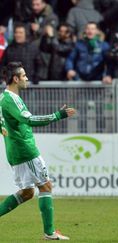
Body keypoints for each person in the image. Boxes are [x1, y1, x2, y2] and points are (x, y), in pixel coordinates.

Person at [0, 62, 75, 240]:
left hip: (14, 150)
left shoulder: (3, 99)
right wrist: (58, 115)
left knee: (27, 193)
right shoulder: (11, 99)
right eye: (24, 75)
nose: (27, 78)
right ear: (15, 79)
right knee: (46, 185)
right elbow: (30, 120)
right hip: (26, 151)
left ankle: (49, 232)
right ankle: (49, 232)